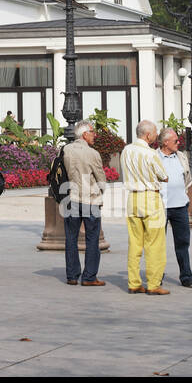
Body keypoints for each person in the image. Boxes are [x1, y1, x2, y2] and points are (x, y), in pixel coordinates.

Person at [121, 120, 169, 294]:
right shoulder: (150, 153)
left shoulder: (126, 150)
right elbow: (164, 176)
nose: (156, 135)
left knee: (134, 243)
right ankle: (154, 284)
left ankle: (134, 283)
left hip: (132, 199)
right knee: (154, 243)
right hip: (150, 199)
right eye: (155, 133)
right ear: (148, 135)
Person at [62, 119, 108, 287]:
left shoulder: (66, 150)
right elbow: (101, 178)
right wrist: (100, 191)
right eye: (92, 132)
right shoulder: (92, 153)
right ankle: (89, 277)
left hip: (72, 197)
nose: (94, 135)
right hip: (90, 199)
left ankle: (72, 276)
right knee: (92, 238)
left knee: (71, 237)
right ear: (84, 134)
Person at [157, 127, 192, 288]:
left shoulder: (181, 157)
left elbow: (187, 178)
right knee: (158, 244)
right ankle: (156, 275)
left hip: (180, 206)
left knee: (183, 243)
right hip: (161, 207)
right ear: (165, 142)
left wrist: (184, 195)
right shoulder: (154, 158)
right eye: (175, 141)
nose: (178, 143)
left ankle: (186, 276)